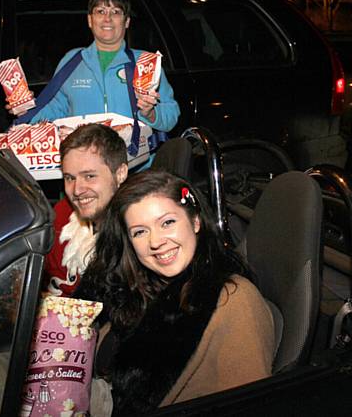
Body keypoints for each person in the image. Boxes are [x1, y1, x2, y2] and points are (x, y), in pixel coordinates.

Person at [75, 170, 275, 415]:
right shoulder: (139, 288)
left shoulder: (234, 300)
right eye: (140, 231)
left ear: (195, 222)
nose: (156, 241)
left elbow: (249, 406)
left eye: (167, 222)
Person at [13, 0, 180, 133]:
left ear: (126, 21)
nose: (107, 18)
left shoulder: (145, 62)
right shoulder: (72, 60)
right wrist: (26, 109)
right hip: (83, 159)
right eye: (100, 11)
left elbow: (171, 115)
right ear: (90, 20)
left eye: (115, 12)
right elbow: (57, 109)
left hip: (134, 162)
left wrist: (150, 113)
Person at [44, 123, 128, 296]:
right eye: (69, 178)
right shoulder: (62, 214)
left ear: (120, 174)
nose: (76, 190)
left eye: (89, 176)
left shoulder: (135, 231)